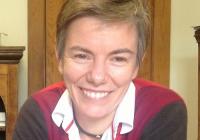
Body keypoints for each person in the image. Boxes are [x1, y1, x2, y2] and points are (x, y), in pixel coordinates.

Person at [13, 0, 187, 140]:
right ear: (59, 58)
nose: (97, 77)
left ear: (136, 66)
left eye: (118, 59)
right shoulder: (37, 113)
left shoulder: (162, 110)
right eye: (82, 56)